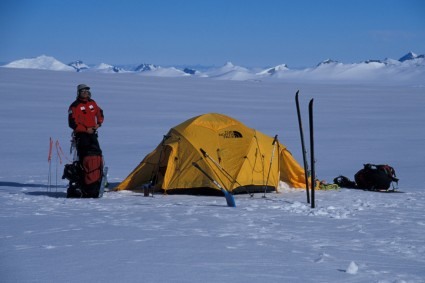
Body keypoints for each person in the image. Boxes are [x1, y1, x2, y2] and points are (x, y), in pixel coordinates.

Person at [67, 84, 104, 198]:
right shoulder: (74, 106)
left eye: (87, 91)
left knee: (96, 155)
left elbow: (100, 113)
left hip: (92, 133)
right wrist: (85, 129)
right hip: (81, 135)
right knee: (85, 158)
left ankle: (96, 180)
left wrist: (98, 124)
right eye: (83, 91)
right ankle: (86, 182)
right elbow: (72, 123)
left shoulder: (92, 103)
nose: (85, 93)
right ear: (78, 92)